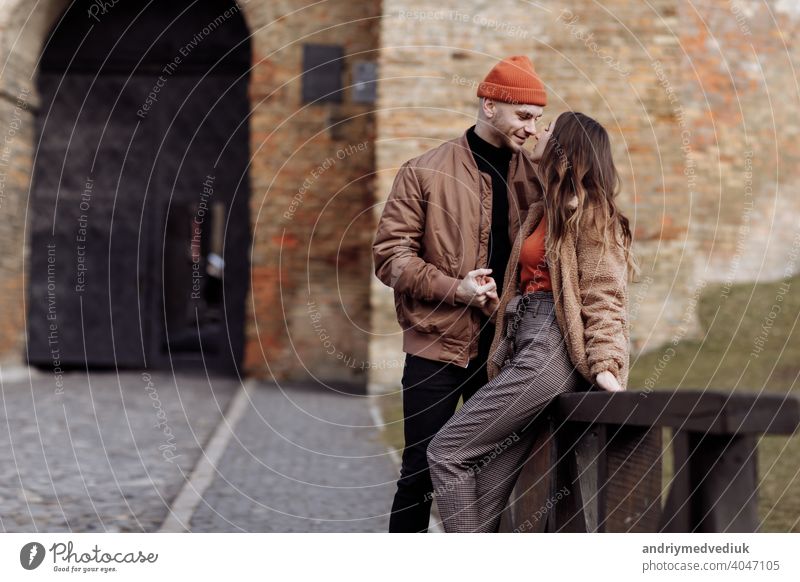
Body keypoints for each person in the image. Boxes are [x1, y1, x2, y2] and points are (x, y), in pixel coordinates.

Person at [427, 111, 639, 533]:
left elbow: (605, 298)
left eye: (549, 128)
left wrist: (607, 368)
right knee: (483, 499)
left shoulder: (591, 215)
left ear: (566, 147)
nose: (538, 132)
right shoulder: (544, 210)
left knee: (446, 452)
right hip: (524, 346)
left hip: (548, 356)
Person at [373, 56, 548, 532]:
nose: (533, 129)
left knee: (499, 473)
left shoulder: (539, 176)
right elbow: (390, 257)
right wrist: (458, 290)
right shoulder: (423, 171)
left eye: (538, 118)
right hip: (436, 347)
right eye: (525, 116)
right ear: (490, 106)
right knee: (420, 474)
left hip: (507, 350)